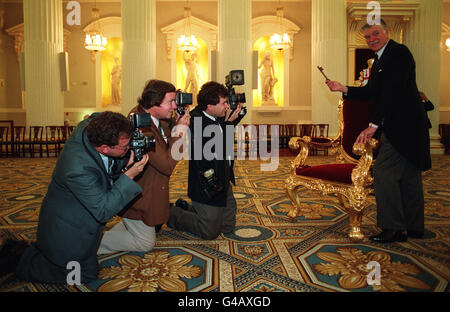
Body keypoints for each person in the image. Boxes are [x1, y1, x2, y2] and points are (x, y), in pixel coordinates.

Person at [0, 111, 149, 283]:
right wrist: (129, 175)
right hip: (66, 231)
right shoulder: (77, 168)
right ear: (104, 148)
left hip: (80, 218)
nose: (129, 148)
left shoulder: (92, 127)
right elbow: (103, 210)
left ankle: (36, 254)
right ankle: (19, 259)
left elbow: (95, 115)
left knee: (89, 267)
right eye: (125, 147)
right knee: (80, 276)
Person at [326, 19, 431, 243]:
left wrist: (373, 125)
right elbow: (371, 92)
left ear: (387, 32)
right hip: (406, 124)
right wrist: (342, 88)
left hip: (404, 125)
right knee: (408, 176)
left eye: (375, 34)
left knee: (384, 173)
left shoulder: (398, 53)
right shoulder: (380, 60)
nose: (371, 39)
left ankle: (392, 228)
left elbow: (392, 93)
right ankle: (414, 227)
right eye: (367, 37)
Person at [97, 79, 190, 254]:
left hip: (149, 192)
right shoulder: (140, 124)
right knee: (145, 243)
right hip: (138, 197)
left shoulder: (157, 119)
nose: (174, 105)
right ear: (154, 103)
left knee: (142, 230)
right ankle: (87, 245)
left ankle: (99, 237)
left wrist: (177, 123)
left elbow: (167, 143)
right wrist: (181, 131)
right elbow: (167, 165)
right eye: (170, 101)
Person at [166, 81, 244, 240]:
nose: (227, 107)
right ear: (209, 105)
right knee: (209, 232)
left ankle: (189, 208)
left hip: (224, 178)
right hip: (207, 182)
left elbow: (228, 125)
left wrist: (236, 113)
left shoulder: (217, 115)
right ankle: (172, 213)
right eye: (223, 103)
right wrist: (228, 125)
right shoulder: (196, 121)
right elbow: (212, 149)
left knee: (227, 227)